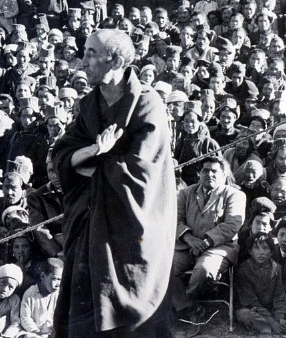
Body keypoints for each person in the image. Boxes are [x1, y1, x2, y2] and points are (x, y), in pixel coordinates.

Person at [51, 29, 176, 337]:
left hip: (131, 224)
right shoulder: (88, 105)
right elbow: (62, 156)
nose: (84, 61)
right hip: (89, 220)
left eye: (93, 54)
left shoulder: (148, 105)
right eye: (85, 52)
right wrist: (94, 151)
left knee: (131, 313)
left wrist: (90, 167)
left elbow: (142, 172)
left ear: (117, 60)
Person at [171, 156, 246, 319]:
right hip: (187, 245)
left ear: (224, 175)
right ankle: (188, 309)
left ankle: (184, 305)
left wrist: (205, 242)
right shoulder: (186, 193)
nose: (209, 174)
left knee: (203, 270)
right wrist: (190, 239)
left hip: (219, 248)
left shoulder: (234, 195)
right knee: (164, 269)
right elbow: (174, 219)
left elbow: (233, 224)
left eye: (214, 171)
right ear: (199, 173)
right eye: (205, 170)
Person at [235, 232, 286, 334]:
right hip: (252, 309)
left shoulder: (276, 268)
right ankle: (267, 330)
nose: (261, 252)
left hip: (270, 308)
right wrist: (272, 321)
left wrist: (280, 316)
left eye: (265, 248)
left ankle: (278, 324)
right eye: (256, 248)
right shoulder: (244, 270)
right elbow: (250, 301)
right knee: (244, 314)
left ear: (271, 252)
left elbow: (279, 294)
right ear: (250, 251)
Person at [20, 258, 63, 337]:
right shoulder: (30, 294)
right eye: (54, 279)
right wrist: (37, 332)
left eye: (60, 280)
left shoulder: (58, 294)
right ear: (43, 276)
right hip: (35, 332)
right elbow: (25, 319)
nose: (58, 284)